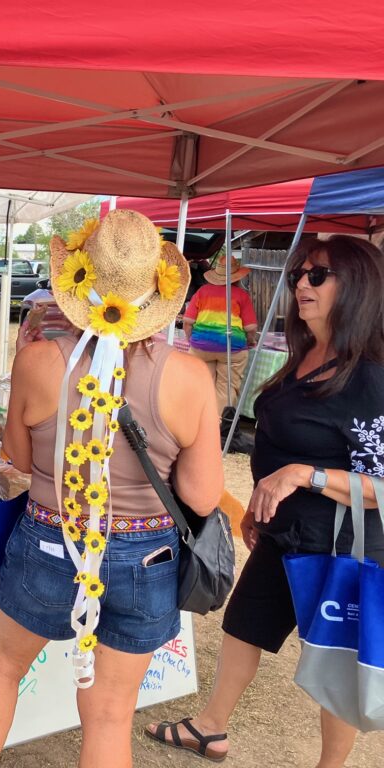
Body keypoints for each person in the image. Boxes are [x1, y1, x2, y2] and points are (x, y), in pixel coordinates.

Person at [0, 210, 223, 768]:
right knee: (109, 714)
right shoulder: (191, 379)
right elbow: (202, 498)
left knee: (0, 668)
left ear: (78, 280)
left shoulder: (37, 362)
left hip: (52, 538)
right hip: (146, 553)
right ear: (157, 293)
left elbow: (18, 460)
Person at [145, 235, 384, 765]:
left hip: (341, 547)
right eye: (300, 273)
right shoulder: (306, 356)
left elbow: (380, 484)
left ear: (360, 288)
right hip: (284, 533)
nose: (301, 282)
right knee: (244, 625)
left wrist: (302, 475)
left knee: (336, 661)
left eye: (318, 275)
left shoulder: (371, 376)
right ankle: (210, 728)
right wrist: (260, 501)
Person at [182, 256, 259, 415]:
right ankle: (219, 426)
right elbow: (251, 327)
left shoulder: (202, 292)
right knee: (227, 388)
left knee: (201, 385)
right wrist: (251, 341)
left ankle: (198, 422)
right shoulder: (241, 295)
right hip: (233, 348)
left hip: (201, 346)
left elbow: (188, 321)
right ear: (237, 278)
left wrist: (191, 340)